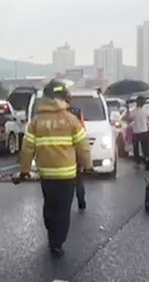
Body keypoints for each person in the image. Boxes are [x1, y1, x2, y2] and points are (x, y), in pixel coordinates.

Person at [19, 79, 92, 257]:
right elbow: (83, 146)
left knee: (49, 207)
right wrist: (88, 165)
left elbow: (27, 148)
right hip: (66, 175)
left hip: (46, 175)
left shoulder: (36, 121)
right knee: (63, 210)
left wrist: (25, 170)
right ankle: (57, 242)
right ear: (63, 98)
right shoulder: (71, 120)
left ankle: (52, 235)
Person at [123, 96, 149, 170]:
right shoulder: (146, 111)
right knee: (145, 149)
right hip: (145, 132)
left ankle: (137, 163)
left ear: (137, 103)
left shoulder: (134, 112)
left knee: (136, 149)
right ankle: (147, 161)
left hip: (136, 132)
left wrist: (127, 110)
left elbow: (128, 119)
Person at [69, 106, 87, 210]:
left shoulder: (60, 115)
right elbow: (83, 133)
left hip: (64, 153)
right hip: (76, 152)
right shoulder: (78, 112)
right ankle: (81, 202)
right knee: (79, 179)